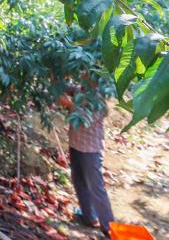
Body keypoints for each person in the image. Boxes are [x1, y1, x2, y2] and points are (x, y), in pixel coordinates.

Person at [65, 93, 115, 237]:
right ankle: (89, 217)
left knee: (96, 187)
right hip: (76, 144)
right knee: (79, 181)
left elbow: (87, 118)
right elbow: (75, 89)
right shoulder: (84, 86)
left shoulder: (98, 95)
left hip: (90, 150)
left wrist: (69, 105)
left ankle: (109, 229)